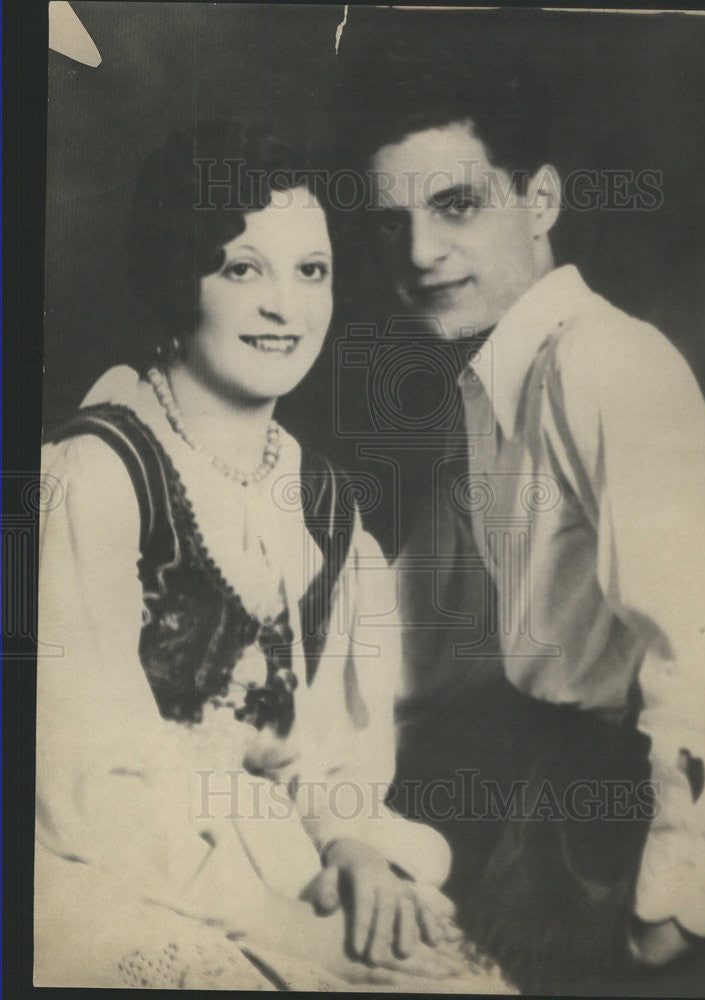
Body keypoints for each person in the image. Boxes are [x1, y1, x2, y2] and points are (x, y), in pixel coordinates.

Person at [336, 44, 705, 993]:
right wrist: (326, 800)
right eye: (393, 223)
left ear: (538, 201)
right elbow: (414, 642)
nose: (420, 254)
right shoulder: (491, 380)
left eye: (456, 205)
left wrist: (671, 899)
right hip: (545, 800)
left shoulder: (603, 364)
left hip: (644, 823)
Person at [34, 120, 509, 992]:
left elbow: (325, 757)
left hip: (280, 847)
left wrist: (352, 845)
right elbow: (83, 792)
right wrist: (281, 918)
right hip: (106, 871)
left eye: (311, 271)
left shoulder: (322, 506)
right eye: (243, 268)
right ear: (178, 275)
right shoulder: (98, 476)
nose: (285, 307)